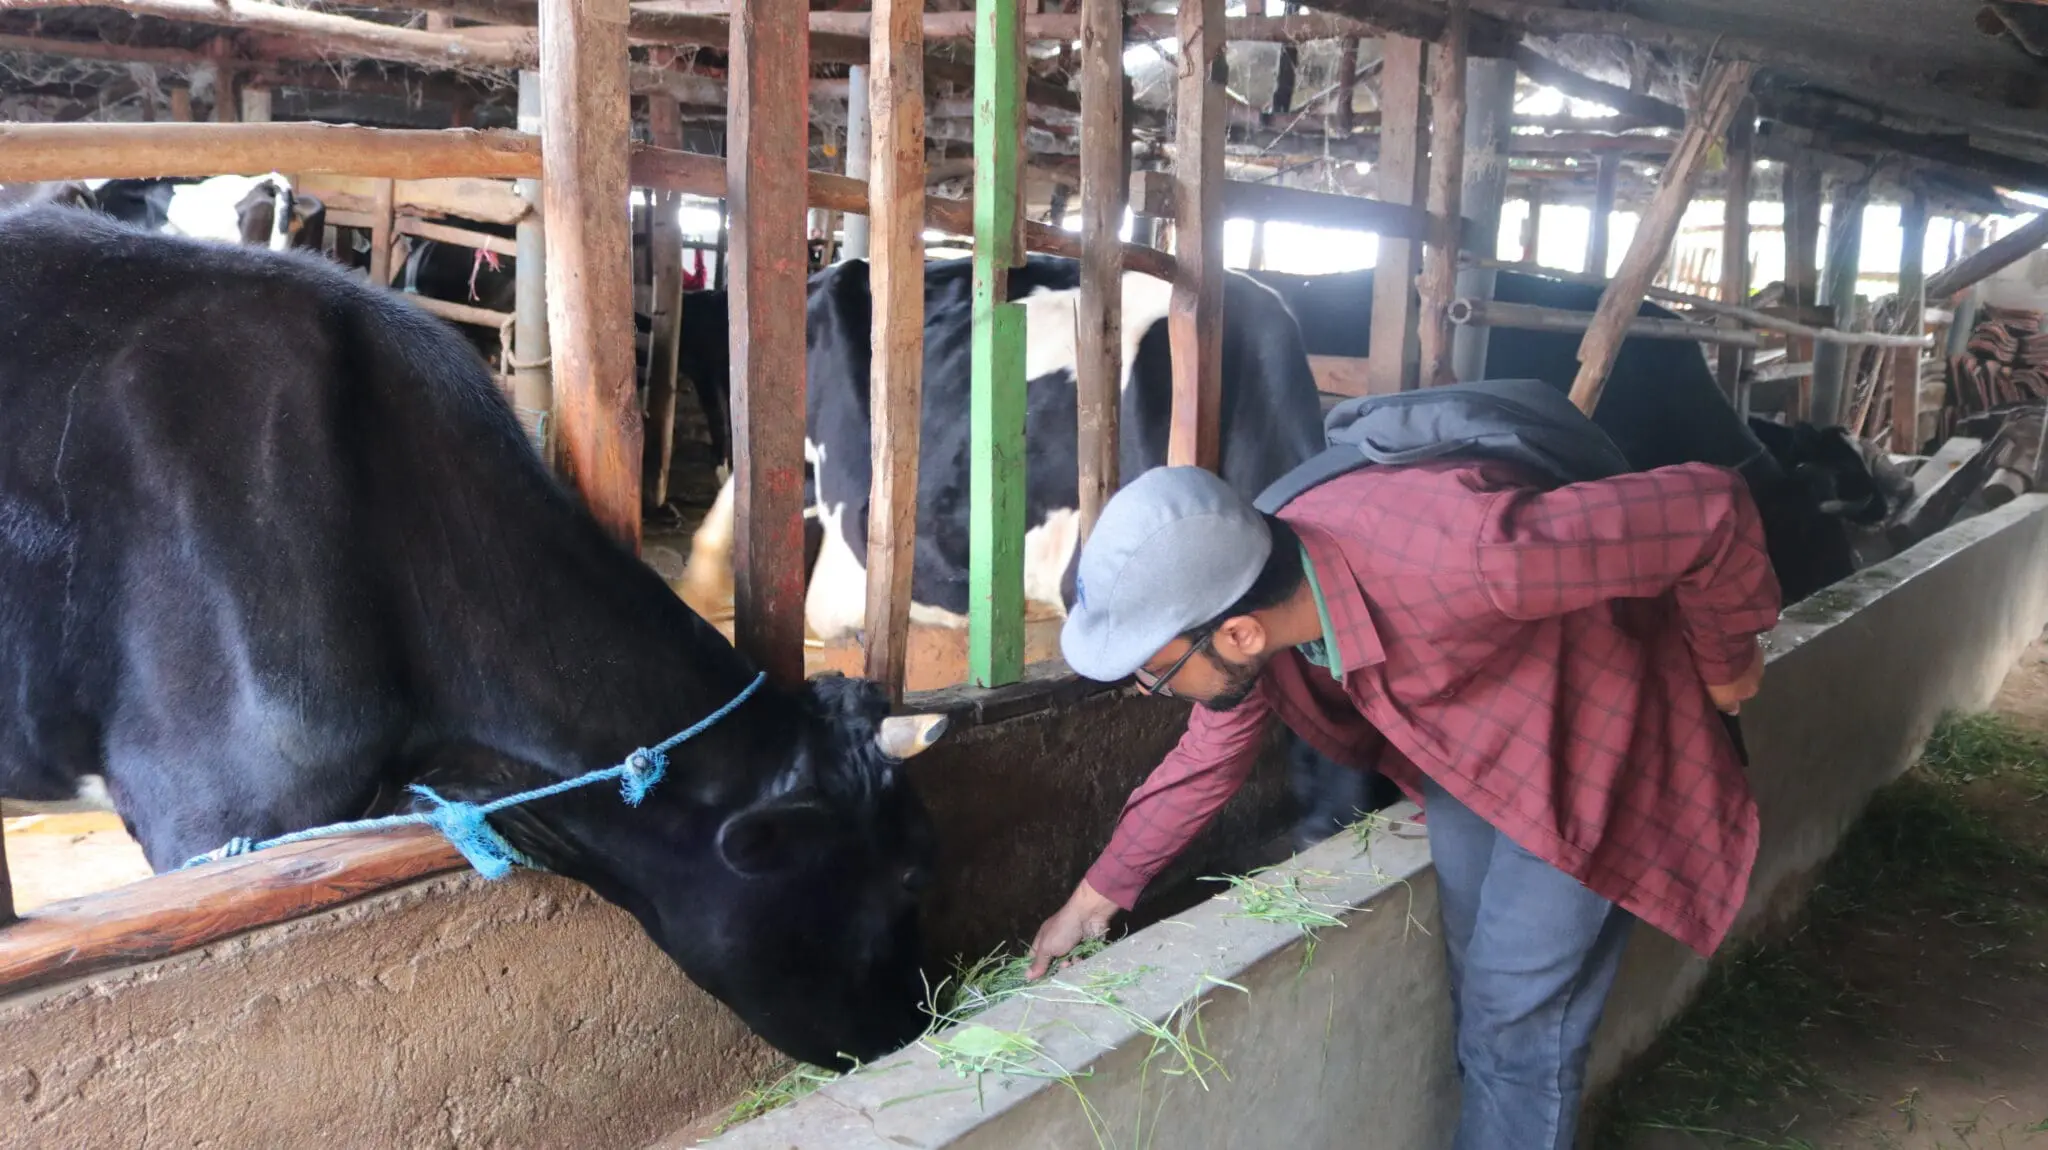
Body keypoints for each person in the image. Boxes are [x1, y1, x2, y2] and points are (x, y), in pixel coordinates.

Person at [1027, 460, 1779, 1150]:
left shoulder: (1471, 554)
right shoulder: (1262, 582)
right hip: (1469, 754)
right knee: (1480, 995)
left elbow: (1710, 507)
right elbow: (1209, 753)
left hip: (1590, 747)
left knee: (1518, 1021)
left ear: (1240, 632)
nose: (1154, 692)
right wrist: (1096, 896)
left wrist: (1726, 662)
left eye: (1157, 674)